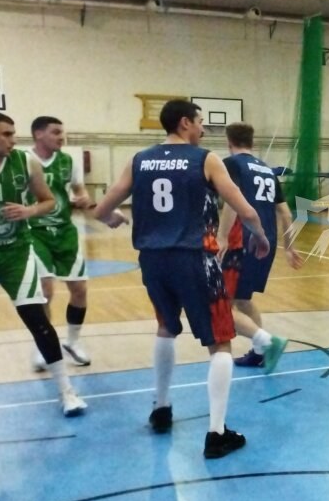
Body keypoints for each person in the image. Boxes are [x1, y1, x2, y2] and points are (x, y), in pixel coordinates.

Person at [93, 100, 271, 458]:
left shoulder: (139, 159)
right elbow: (243, 207)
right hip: (194, 258)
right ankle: (217, 433)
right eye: (200, 122)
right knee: (220, 343)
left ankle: (161, 407)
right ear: (185, 122)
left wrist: (111, 218)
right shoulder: (205, 159)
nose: (203, 129)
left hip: (152, 260)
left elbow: (102, 208)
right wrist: (260, 235)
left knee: (165, 327)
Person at [0, 110, 86, 416]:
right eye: (6, 134)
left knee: (37, 318)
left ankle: (67, 393)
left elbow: (49, 200)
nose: (13, 140)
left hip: (16, 251)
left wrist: (29, 211)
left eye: (14, 134)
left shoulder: (26, 162)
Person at [216, 123, 299, 370]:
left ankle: (267, 342)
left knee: (221, 304)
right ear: (252, 142)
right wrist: (289, 247)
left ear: (229, 142)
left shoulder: (232, 164)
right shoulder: (267, 170)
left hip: (241, 241)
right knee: (243, 299)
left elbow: (232, 200)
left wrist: (222, 236)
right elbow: (286, 213)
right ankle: (260, 352)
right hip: (266, 242)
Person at [26, 116, 93, 372]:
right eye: (55, 132)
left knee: (80, 290)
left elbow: (79, 190)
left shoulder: (68, 161)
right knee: (44, 290)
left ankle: (72, 343)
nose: (61, 137)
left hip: (65, 232)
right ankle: (43, 346)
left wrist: (87, 200)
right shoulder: (22, 161)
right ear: (38, 134)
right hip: (34, 232)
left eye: (62, 132)